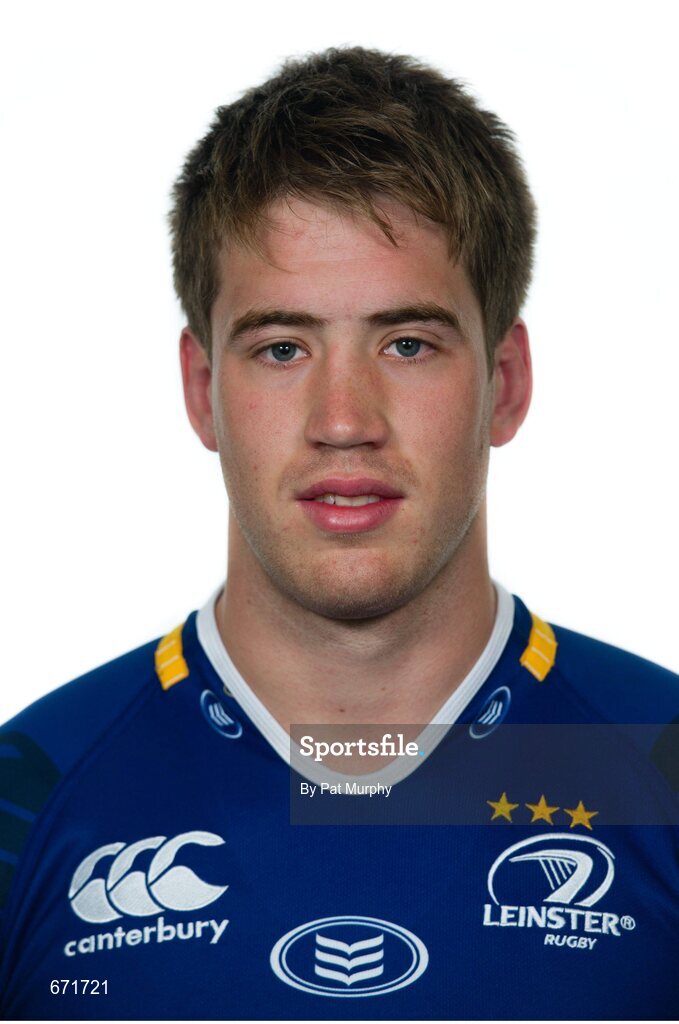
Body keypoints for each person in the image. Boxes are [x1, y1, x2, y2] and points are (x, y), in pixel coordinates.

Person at [0, 45, 676, 1021]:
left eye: (407, 343)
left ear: (506, 382)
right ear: (202, 392)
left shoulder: (663, 766)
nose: (344, 416)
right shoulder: (28, 800)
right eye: (282, 348)